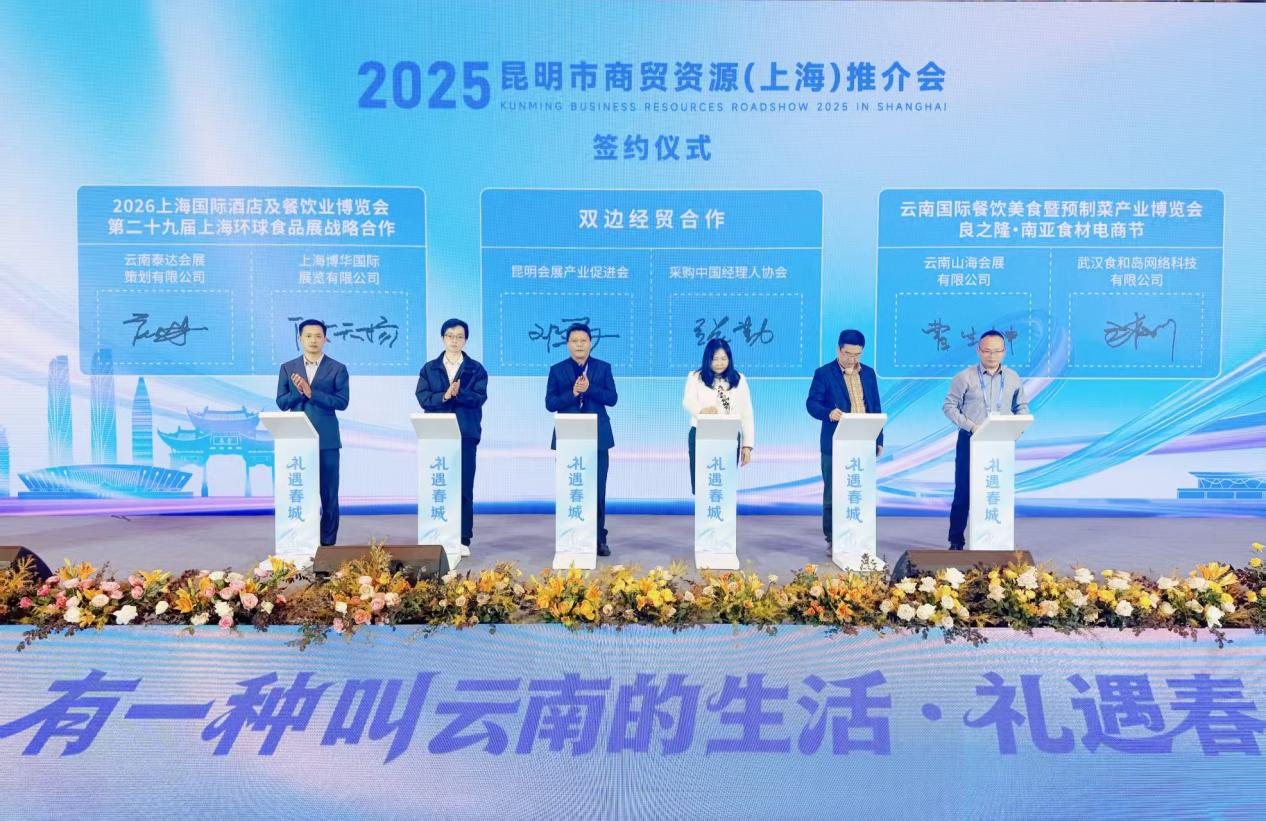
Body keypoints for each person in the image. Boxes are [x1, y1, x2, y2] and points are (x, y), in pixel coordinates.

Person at [942, 329, 1030, 550]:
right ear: (979, 351)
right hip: (970, 440)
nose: (992, 356)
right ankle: (956, 541)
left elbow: (1021, 407)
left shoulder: (1013, 377)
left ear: (1004, 351)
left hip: (1000, 443)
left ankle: (997, 539)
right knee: (964, 492)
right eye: (987, 351)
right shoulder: (965, 377)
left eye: (997, 351)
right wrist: (972, 426)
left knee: (996, 491)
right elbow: (949, 406)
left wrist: (1016, 431)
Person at [806, 329, 883, 553]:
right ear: (839, 349)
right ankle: (833, 538)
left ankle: (859, 534)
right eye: (848, 354)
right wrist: (829, 412)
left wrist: (878, 439)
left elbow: (875, 407)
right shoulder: (824, 373)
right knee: (833, 492)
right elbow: (812, 404)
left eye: (857, 354)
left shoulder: (869, 374)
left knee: (859, 490)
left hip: (863, 443)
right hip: (835, 443)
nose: (852, 359)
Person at [415, 318, 489, 553]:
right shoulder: (430, 368)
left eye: (459, 337)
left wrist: (459, 393)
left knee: (464, 486)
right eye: (450, 336)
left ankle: (463, 539)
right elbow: (423, 398)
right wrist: (445, 396)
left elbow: (479, 398)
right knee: (438, 485)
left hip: (466, 433)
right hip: (437, 434)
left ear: (465, 340)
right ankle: (435, 533)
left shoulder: (476, 368)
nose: (454, 340)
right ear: (442, 338)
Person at [275, 319, 350, 547]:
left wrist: (311, 392)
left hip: (327, 441)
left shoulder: (337, 368)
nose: (313, 340)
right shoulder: (288, 368)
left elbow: (342, 402)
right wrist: (300, 392)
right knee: (300, 492)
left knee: (329, 495)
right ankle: (300, 540)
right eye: (308, 336)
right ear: (300, 339)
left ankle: (327, 545)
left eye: (318, 336)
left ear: (325, 339)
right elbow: (281, 403)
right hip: (297, 440)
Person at [545, 323, 618, 556]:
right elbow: (550, 403)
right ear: (568, 344)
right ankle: (570, 536)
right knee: (571, 489)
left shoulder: (603, 368)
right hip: (569, 439)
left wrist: (589, 389)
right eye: (574, 341)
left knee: (597, 490)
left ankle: (598, 539)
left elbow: (612, 398)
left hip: (598, 439)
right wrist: (574, 393)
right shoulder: (557, 370)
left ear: (590, 343)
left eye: (583, 341)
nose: (579, 345)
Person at [681, 338, 754, 493]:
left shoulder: (739, 379)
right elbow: (688, 401)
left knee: (724, 487)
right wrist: (702, 411)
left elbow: (746, 413)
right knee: (702, 485)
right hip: (701, 434)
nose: (719, 363)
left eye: (723, 359)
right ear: (708, 359)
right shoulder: (695, 377)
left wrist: (747, 446)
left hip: (729, 436)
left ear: (729, 359)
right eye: (715, 359)